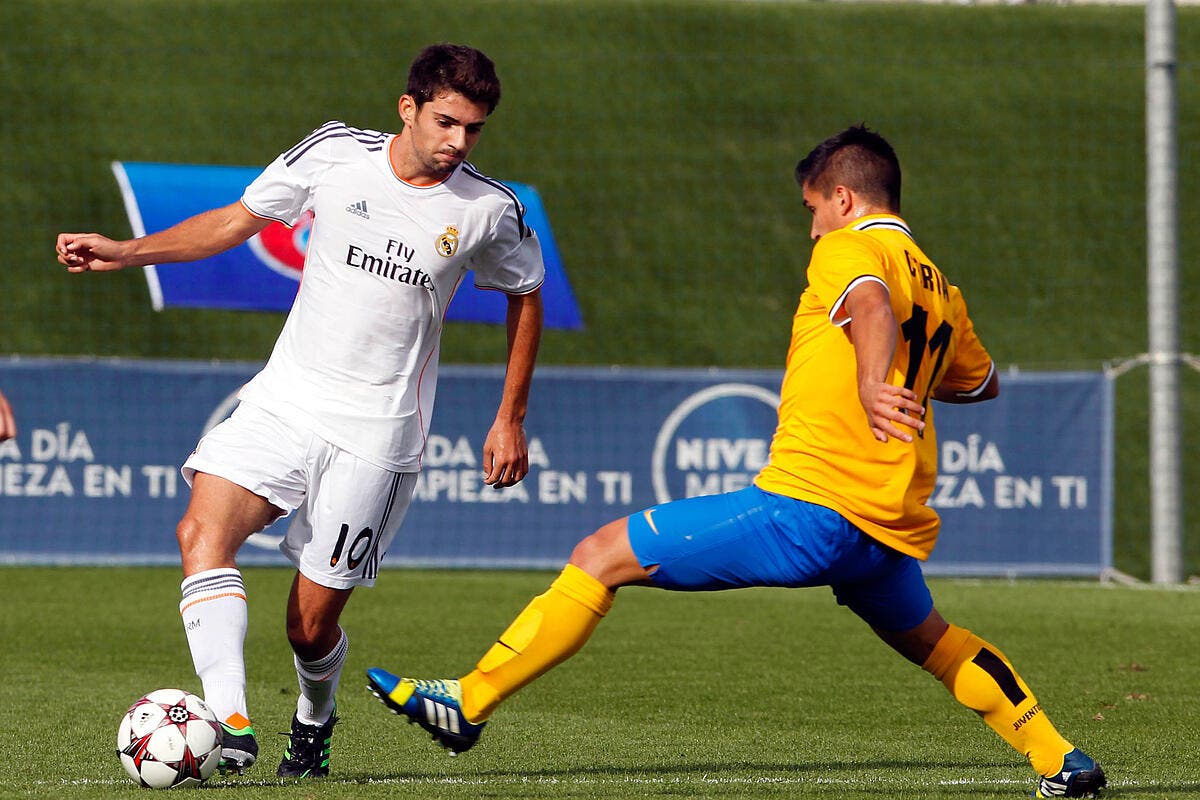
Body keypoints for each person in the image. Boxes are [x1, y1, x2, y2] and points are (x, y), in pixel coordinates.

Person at [366, 125, 1107, 798]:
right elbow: (980, 381)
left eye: (814, 205)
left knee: (599, 555)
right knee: (937, 642)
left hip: (812, 504)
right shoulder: (941, 284)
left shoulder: (849, 249)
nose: (811, 222)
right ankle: (1060, 759)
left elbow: (873, 308)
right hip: (884, 526)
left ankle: (467, 703)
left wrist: (876, 382)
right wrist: (904, 375)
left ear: (844, 199)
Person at [55, 43, 545, 779]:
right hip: (286, 400)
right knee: (201, 528)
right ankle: (230, 719)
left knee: (309, 628)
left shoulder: (487, 210)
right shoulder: (333, 154)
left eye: (474, 130)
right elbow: (235, 220)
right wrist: (126, 252)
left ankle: (314, 719)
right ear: (407, 108)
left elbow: (525, 293)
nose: (458, 142)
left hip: (378, 436)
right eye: (446, 122)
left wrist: (510, 416)